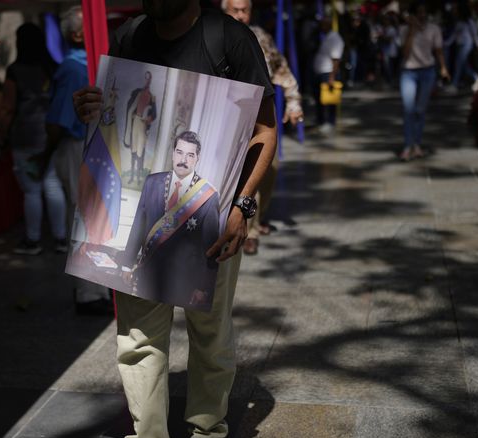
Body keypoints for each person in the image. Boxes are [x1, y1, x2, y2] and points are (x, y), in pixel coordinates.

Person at [74, 0, 276, 438]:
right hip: (148, 213)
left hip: (213, 216)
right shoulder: (130, 37)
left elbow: (267, 131)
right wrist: (93, 111)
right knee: (138, 338)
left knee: (210, 332)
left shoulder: (228, 39)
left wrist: (243, 207)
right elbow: (115, 124)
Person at [38, 6, 113, 316]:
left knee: (89, 214)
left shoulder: (83, 64)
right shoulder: (74, 67)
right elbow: (58, 121)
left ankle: (93, 288)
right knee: (83, 214)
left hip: (85, 143)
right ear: (77, 34)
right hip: (76, 143)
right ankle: (88, 291)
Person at [222, 0, 304, 255]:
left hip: (259, 118)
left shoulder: (260, 37)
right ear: (225, 11)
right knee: (243, 177)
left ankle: (255, 220)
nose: (240, 15)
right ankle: (251, 229)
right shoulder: (213, 37)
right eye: (234, 10)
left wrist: (293, 103)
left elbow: (282, 69)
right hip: (226, 121)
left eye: (244, 10)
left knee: (269, 169)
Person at [120, 131, 220, 309]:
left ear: (198, 158)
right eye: (180, 152)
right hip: (147, 273)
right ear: (173, 154)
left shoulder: (208, 197)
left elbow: (210, 247)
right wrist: (127, 265)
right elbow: (138, 226)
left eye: (190, 155)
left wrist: (203, 287)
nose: (184, 159)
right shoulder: (152, 182)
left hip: (181, 282)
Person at [0, 23, 67, 256]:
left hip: (25, 135)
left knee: (31, 190)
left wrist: (1, 133)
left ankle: (33, 239)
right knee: (53, 185)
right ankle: (61, 238)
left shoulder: (14, 71)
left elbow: (8, 107)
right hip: (51, 132)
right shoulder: (52, 68)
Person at [398, 1, 450, 161]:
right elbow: (405, 54)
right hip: (408, 72)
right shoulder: (404, 30)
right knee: (408, 110)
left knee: (420, 110)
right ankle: (408, 146)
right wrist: (412, 31)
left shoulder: (434, 29)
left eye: (424, 12)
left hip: (428, 71)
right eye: (419, 12)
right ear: (412, 15)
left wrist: (443, 67)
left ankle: (417, 144)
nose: (422, 15)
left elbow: (438, 50)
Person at [313, 11, 345, 134]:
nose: (321, 27)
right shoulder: (327, 37)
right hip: (321, 71)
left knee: (330, 100)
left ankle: (330, 122)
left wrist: (332, 77)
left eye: (323, 24)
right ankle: (321, 121)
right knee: (320, 99)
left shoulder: (335, 38)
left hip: (328, 73)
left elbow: (336, 59)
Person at [123, 71, 157, 184]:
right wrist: (132, 114)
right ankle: (132, 176)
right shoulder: (137, 93)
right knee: (133, 151)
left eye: (149, 79)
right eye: (146, 78)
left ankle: (137, 178)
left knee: (140, 152)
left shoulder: (152, 97)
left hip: (143, 125)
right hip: (136, 122)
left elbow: (154, 114)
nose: (147, 81)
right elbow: (131, 105)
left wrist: (148, 119)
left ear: (151, 80)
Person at [444, 2, 478, 93]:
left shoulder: (469, 21)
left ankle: (454, 84)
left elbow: (474, 35)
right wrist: (446, 43)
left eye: (456, 9)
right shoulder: (459, 21)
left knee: (458, 64)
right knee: (464, 66)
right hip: (459, 45)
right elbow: (454, 35)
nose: (455, 11)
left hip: (466, 45)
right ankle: (477, 79)